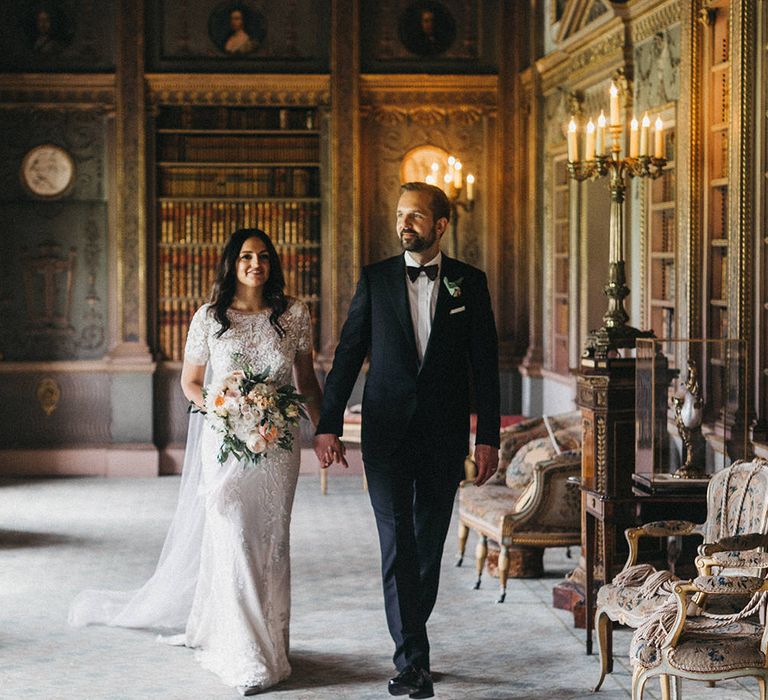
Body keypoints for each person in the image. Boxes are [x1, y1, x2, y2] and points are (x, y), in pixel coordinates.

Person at [69, 229, 323, 696]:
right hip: (225, 442)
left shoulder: (295, 315)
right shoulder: (209, 317)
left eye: (264, 257)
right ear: (232, 264)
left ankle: (271, 641)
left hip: (277, 447)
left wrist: (323, 431)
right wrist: (225, 409)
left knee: (272, 542)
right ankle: (243, 651)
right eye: (246, 256)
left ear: (273, 264)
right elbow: (191, 382)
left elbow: (305, 381)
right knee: (235, 536)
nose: (255, 264)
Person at [314, 182, 500, 699]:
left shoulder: (469, 283)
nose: (404, 224)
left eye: (415, 216)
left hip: (444, 436)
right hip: (387, 434)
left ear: (441, 225)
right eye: (400, 215)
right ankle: (413, 660)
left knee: (427, 546)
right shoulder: (374, 280)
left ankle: (411, 644)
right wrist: (327, 423)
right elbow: (348, 355)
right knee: (397, 540)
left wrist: (488, 438)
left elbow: (485, 367)